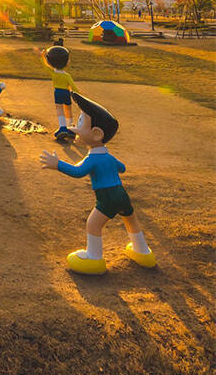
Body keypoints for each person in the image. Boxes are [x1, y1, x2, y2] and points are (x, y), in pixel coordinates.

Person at [40, 90, 156, 274]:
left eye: (80, 122)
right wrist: (112, 167)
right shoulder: (108, 156)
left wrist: (58, 164)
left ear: (96, 133)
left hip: (107, 197)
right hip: (121, 194)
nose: (75, 127)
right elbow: (122, 167)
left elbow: (78, 172)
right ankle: (143, 252)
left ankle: (94, 258)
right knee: (130, 219)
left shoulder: (92, 159)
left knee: (93, 224)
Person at [39, 43, 77, 141]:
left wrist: (42, 56)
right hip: (66, 93)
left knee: (59, 109)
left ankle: (62, 127)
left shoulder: (53, 73)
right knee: (68, 109)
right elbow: (74, 87)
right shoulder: (67, 76)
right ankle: (70, 128)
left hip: (58, 93)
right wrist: (79, 96)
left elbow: (45, 65)